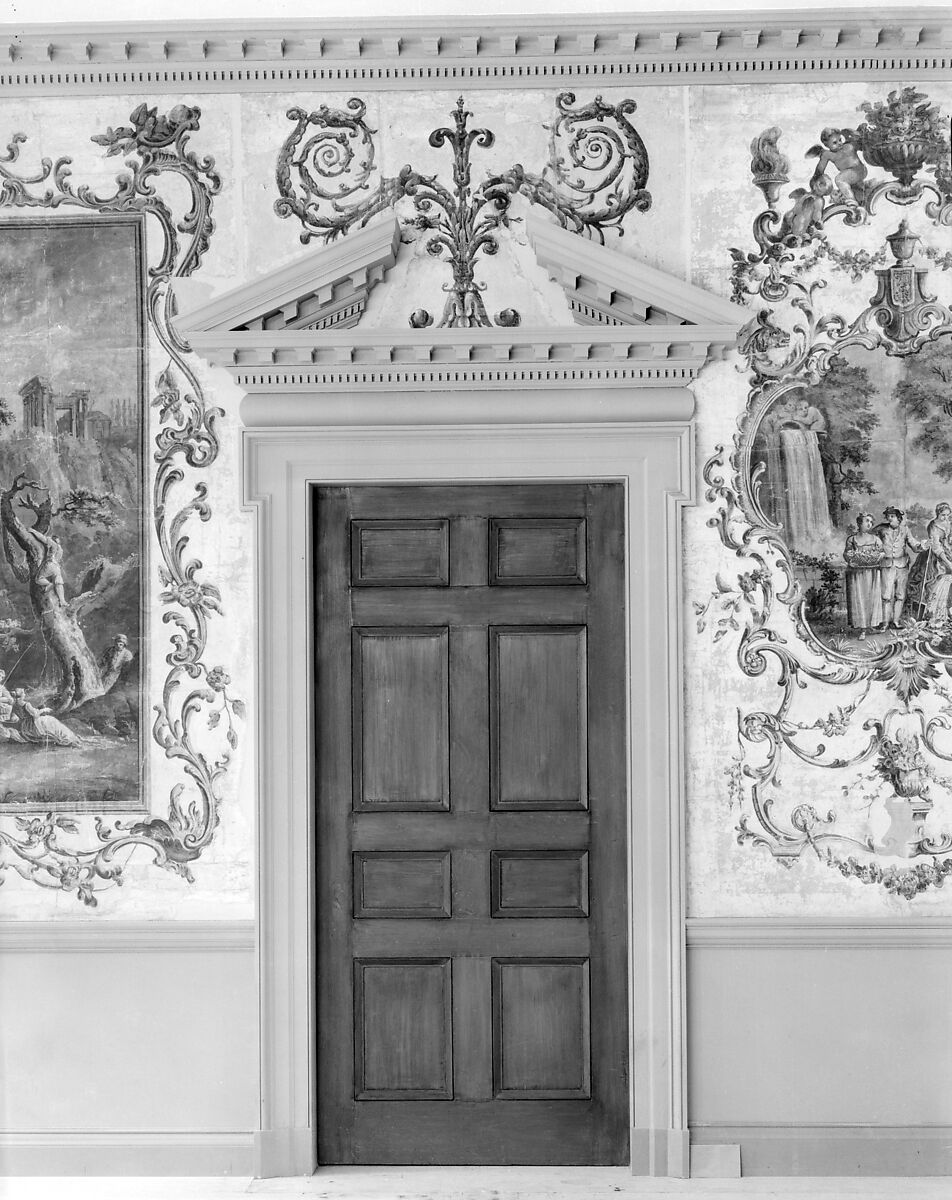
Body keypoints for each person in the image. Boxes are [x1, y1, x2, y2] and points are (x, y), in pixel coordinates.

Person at [876, 507, 923, 629]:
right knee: (886, 596)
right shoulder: (881, 529)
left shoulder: (905, 529)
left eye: (892, 516)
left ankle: (895, 621)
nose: (889, 518)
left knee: (900, 595)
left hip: (902, 565)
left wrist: (921, 546)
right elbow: (870, 541)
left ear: (898, 518)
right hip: (886, 565)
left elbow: (913, 545)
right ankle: (885, 623)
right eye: (888, 516)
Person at [843, 513, 884, 639]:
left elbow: (882, 553)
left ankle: (871, 624)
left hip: (872, 572)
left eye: (871, 522)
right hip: (857, 573)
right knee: (859, 598)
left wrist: (876, 557)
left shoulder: (876, 539)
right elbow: (847, 554)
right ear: (859, 523)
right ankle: (862, 628)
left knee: (872, 597)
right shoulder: (852, 539)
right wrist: (853, 559)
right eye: (867, 521)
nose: (869, 524)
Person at [914, 503, 952, 624]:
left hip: (949, 552)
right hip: (936, 558)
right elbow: (936, 547)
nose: (945, 518)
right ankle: (934, 615)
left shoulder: (949, 523)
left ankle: (948, 610)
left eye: (948, 515)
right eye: (942, 515)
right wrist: (947, 562)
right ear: (937, 513)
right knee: (935, 583)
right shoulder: (933, 526)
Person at [10, 687, 81, 748]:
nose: (25, 694)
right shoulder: (26, 704)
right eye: (24, 693)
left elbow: (13, 718)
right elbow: (35, 715)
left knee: (50, 722)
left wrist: (22, 719)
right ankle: (69, 739)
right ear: (22, 695)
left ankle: (69, 737)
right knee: (52, 721)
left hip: (25, 728)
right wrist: (44, 710)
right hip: (34, 725)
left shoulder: (14, 705)